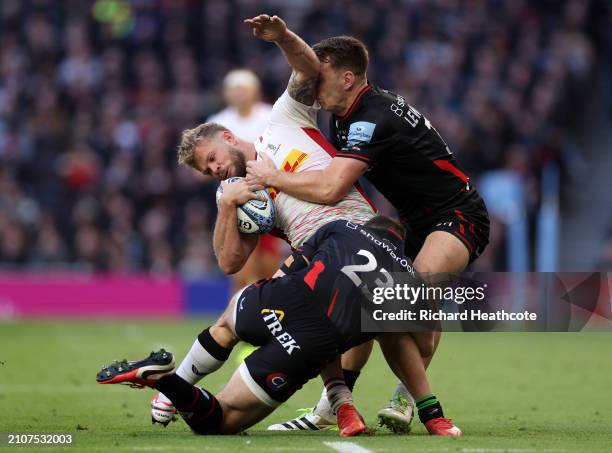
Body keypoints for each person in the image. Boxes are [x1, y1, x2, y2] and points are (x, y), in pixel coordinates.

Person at [245, 15, 489, 434]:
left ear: (347, 78)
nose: (312, 88)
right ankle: (333, 405)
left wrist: (270, 177)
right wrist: (284, 38)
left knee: (405, 307)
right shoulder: (344, 116)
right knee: (369, 306)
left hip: (458, 214)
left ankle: (406, 397)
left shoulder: (371, 118)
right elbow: (305, 67)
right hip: (413, 222)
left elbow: (330, 188)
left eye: (321, 79)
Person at [96, 217, 429, 437]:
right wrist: (431, 409)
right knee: (221, 420)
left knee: (224, 327)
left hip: (274, 298)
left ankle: (177, 374)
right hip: (305, 344)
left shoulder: (341, 226)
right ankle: (164, 381)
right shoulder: (405, 279)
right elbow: (418, 345)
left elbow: (289, 267)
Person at [207, 69, 280, 293]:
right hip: (234, 202)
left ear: (254, 91)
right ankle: (238, 319)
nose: (237, 94)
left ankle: (264, 314)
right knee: (240, 270)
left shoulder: (270, 116)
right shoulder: (217, 123)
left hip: (269, 197)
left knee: (269, 267)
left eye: (241, 89)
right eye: (232, 89)